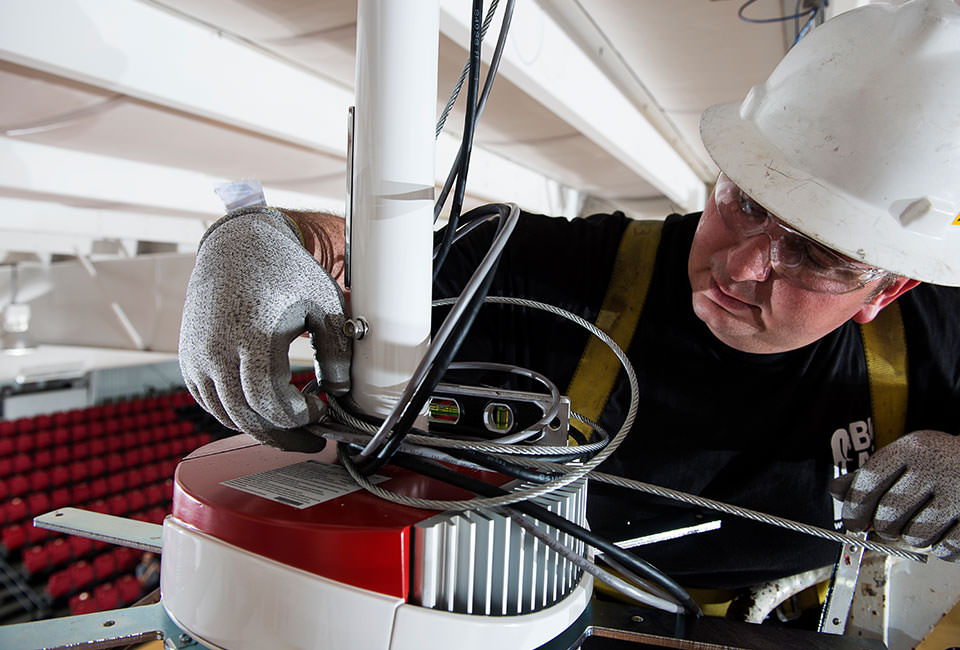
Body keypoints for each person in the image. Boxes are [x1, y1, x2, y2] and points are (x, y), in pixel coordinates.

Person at [178, 0, 960, 594]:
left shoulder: (936, 340)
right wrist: (258, 243)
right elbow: (354, 255)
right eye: (747, 204)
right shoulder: (566, 274)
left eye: (816, 253)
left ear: (887, 289)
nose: (746, 264)